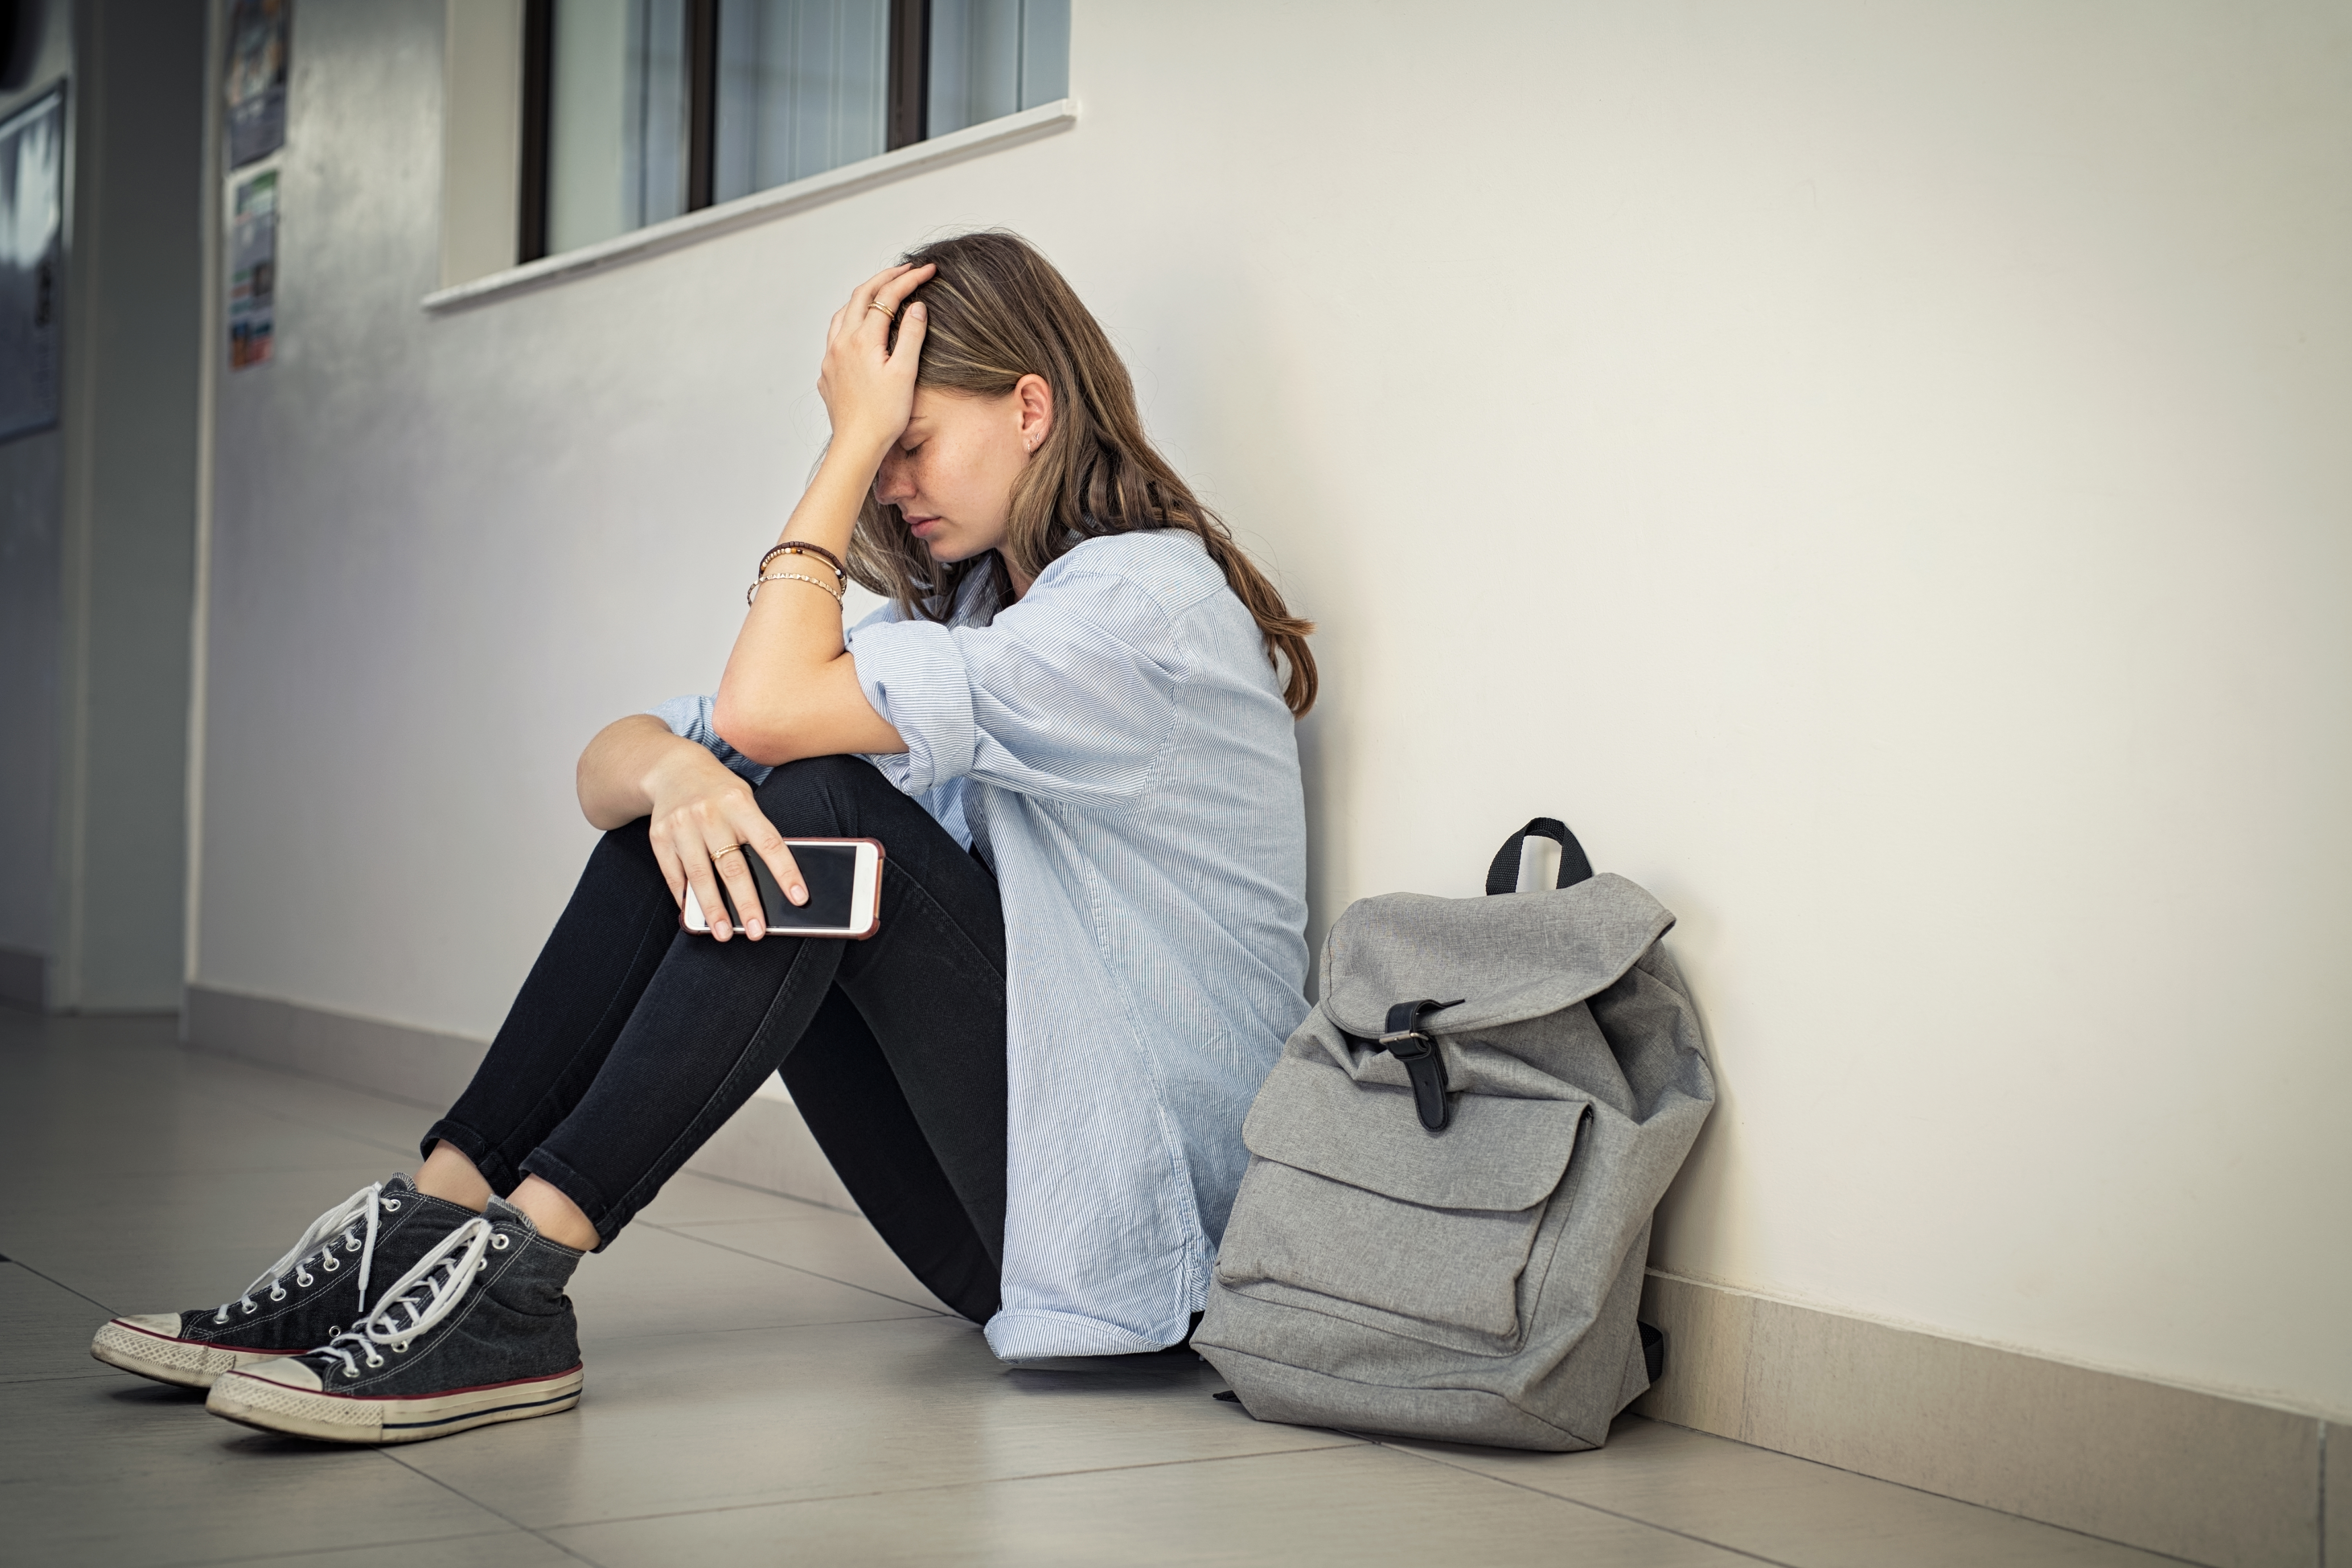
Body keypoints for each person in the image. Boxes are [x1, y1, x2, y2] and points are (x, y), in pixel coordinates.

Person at [88, 231, 1318, 1445]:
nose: (890, 482)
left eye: (909, 444)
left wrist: (841, 447)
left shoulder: (1141, 609)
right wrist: (677, 774)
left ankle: (519, 1283)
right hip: (1016, 1226)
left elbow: (765, 711)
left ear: (1031, 407)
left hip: (1146, 1237)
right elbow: (611, 765)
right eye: (874, 454)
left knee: (814, 805)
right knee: (687, 814)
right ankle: (430, 1224)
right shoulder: (986, 614)